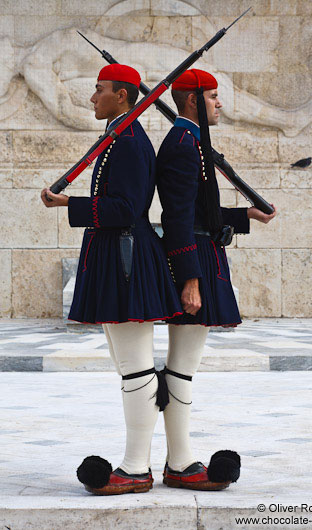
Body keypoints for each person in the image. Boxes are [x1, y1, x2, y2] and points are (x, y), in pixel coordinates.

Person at [41, 63, 185, 495]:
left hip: (127, 257)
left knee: (136, 369)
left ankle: (135, 469)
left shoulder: (129, 142)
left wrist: (70, 203)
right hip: (116, 255)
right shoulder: (119, 137)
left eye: (99, 90)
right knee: (130, 367)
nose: (92, 98)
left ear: (122, 95)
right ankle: (139, 464)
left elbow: (125, 209)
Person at [156, 68, 277, 490]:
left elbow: (201, 213)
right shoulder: (183, 145)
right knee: (182, 369)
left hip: (201, 255)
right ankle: (181, 464)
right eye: (212, 97)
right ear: (192, 101)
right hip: (193, 261)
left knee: (183, 368)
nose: (219, 104)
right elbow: (176, 218)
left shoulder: (191, 141)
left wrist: (245, 216)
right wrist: (190, 279)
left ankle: (178, 459)